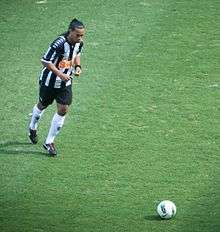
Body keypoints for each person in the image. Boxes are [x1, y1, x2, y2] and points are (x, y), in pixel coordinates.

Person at [28, 18, 85, 156]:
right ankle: (32, 127)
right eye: (78, 35)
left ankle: (49, 142)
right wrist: (60, 74)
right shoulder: (59, 43)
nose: (80, 38)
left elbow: (76, 54)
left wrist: (77, 66)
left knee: (63, 109)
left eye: (82, 35)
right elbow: (45, 61)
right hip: (49, 82)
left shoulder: (79, 43)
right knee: (42, 105)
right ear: (70, 31)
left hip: (65, 83)